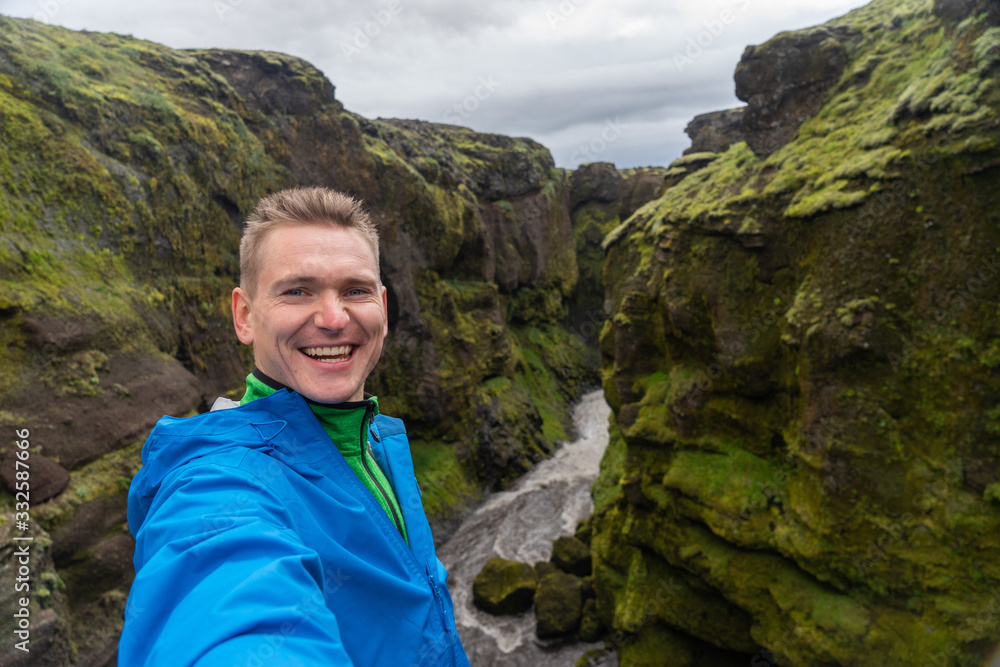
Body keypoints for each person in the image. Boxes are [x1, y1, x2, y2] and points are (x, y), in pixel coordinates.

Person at [119, 187, 471, 666]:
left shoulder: (376, 441)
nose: (333, 318)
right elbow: (224, 593)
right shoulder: (217, 484)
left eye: (355, 290)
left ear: (383, 309)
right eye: (297, 291)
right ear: (245, 315)